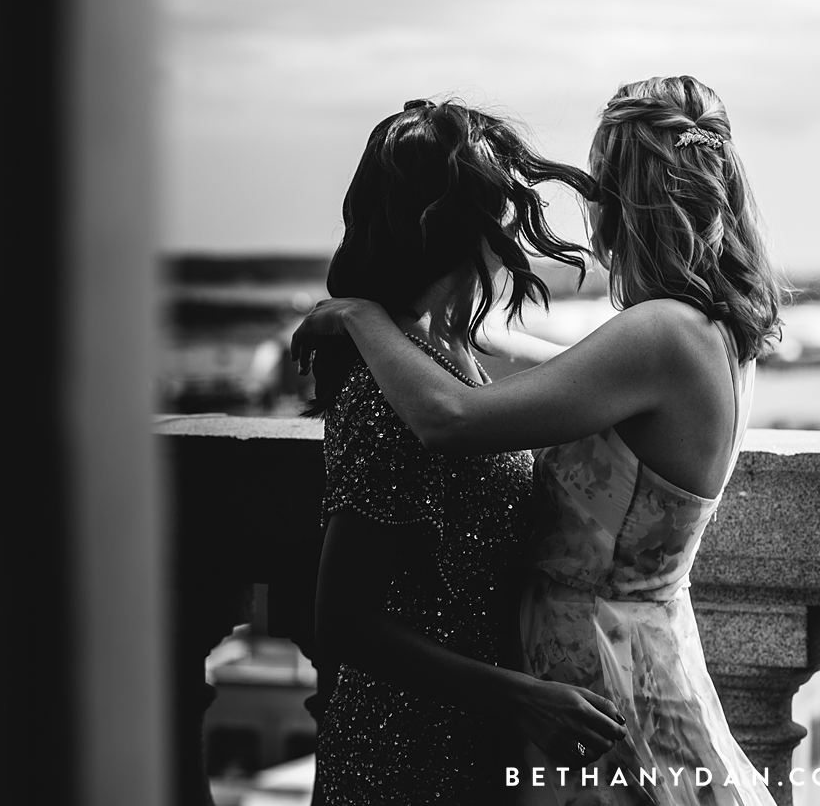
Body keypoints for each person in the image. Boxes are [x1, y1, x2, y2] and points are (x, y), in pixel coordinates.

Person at [293, 76, 789, 806]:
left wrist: (360, 317)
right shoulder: (714, 331)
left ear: (627, 201)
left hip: (594, 686)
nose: (590, 219)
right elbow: (557, 378)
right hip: (602, 678)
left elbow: (452, 417)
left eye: (598, 190)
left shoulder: (659, 333)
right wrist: (437, 332)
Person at [308, 97, 629, 806]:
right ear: (450, 219)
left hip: (470, 738)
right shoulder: (384, 394)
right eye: (505, 198)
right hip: (402, 756)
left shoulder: (448, 351)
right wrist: (522, 697)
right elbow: (341, 621)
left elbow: (577, 372)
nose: (521, 216)